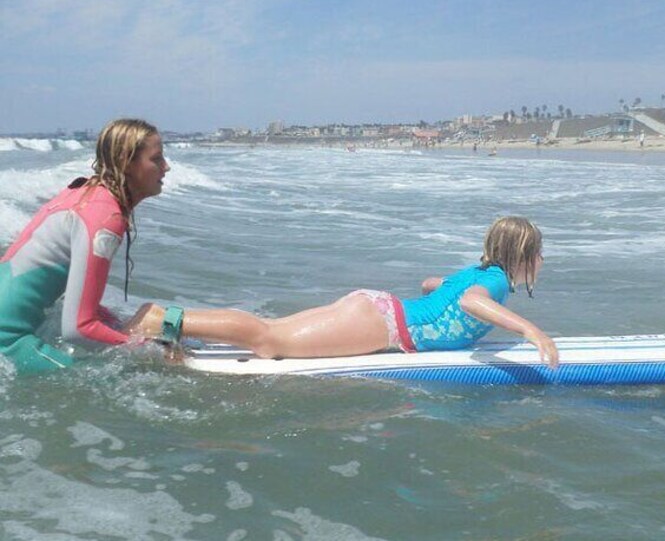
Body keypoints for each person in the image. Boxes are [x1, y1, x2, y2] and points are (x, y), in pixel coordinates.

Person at [128, 216, 560, 369]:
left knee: (271, 330)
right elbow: (469, 303)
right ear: (522, 255)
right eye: (539, 253)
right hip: (385, 326)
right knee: (269, 341)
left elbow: (435, 286)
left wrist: (446, 292)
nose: (542, 261)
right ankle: (165, 319)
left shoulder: (477, 271)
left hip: (375, 308)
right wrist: (532, 332)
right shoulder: (496, 283)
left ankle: (176, 328)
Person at [0, 118, 170, 373]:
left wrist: (118, 326)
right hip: (8, 342)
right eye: (156, 159)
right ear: (126, 162)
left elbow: (74, 300)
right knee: (107, 384)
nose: (166, 167)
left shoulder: (85, 191)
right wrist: (150, 350)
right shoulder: (106, 218)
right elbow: (78, 328)